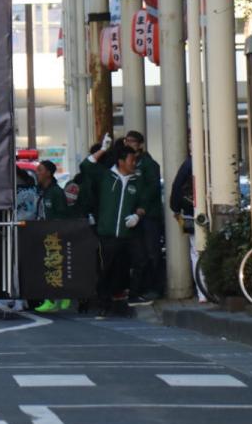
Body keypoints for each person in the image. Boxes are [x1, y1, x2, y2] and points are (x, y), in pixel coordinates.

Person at [79, 141, 153, 317]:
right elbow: (86, 165)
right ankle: (104, 304)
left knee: (141, 260)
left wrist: (137, 215)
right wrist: (103, 150)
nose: (134, 163)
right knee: (106, 269)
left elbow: (144, 202)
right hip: (108, 233)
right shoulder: (105, 176)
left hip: (129, 232)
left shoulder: (137, 180)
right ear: (121, 161)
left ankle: (134, 294)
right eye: (131, 160)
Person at [32, 160, 89, 314]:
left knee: (53, 267)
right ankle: (59, 298)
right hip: (43, 234)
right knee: (49, 267)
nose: (37, 173)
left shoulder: (56, 192)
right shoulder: (41, 191)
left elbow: (63, 215)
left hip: (54, 235)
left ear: (49, 173)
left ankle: (53, 299)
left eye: (40, 170)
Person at [124, 130, 165, 305]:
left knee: (152, 252)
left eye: (132, 141)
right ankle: (140, 288)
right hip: (135, 215)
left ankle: (154, 288)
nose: (128, 144)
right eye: (126, 141)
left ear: (140, 144)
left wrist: (142, 208)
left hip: (149, 216)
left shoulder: (149, 164)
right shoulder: (131, 164)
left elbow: (152, 188)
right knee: (138, 254)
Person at [169, 156, 205, 304]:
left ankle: (202, 291)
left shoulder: (189, 163)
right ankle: (210, 289)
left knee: (196, 250)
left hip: (191, 210)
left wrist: (176, 208)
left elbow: (177, 187)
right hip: (208, 209)